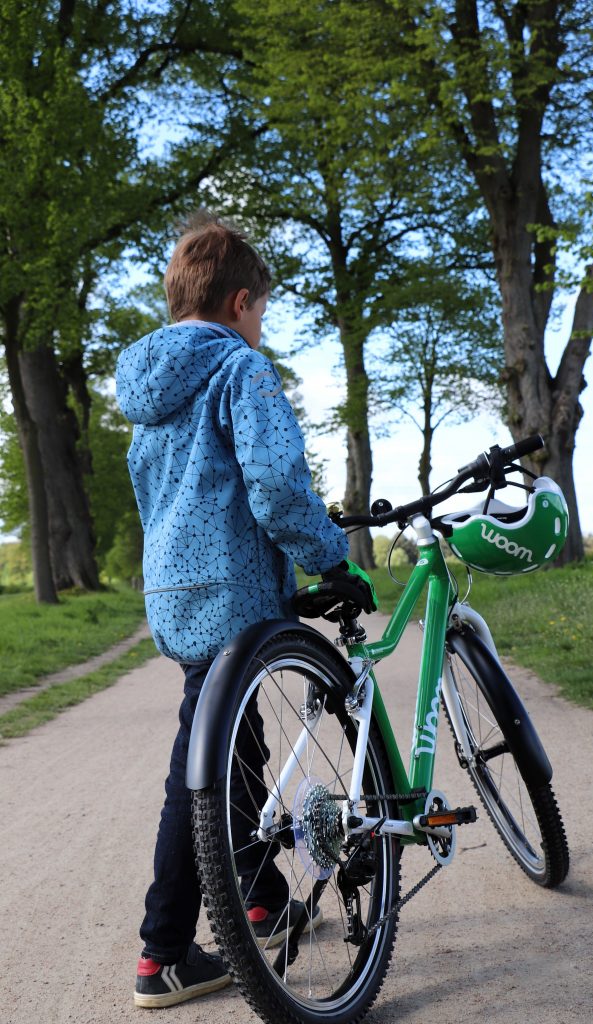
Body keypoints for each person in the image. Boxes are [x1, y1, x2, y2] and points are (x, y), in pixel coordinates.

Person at [116, 213, 375, 1008]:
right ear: (238, 302)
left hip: (172, 588)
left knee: (235, 742)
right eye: (261, 309)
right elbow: (274, 483)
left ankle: (260, 898)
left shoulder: (148, 386)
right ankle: (162, 952)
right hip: (231, 586)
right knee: (197, 768)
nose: (261, 324)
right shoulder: (239, 369)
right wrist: (332, 561)